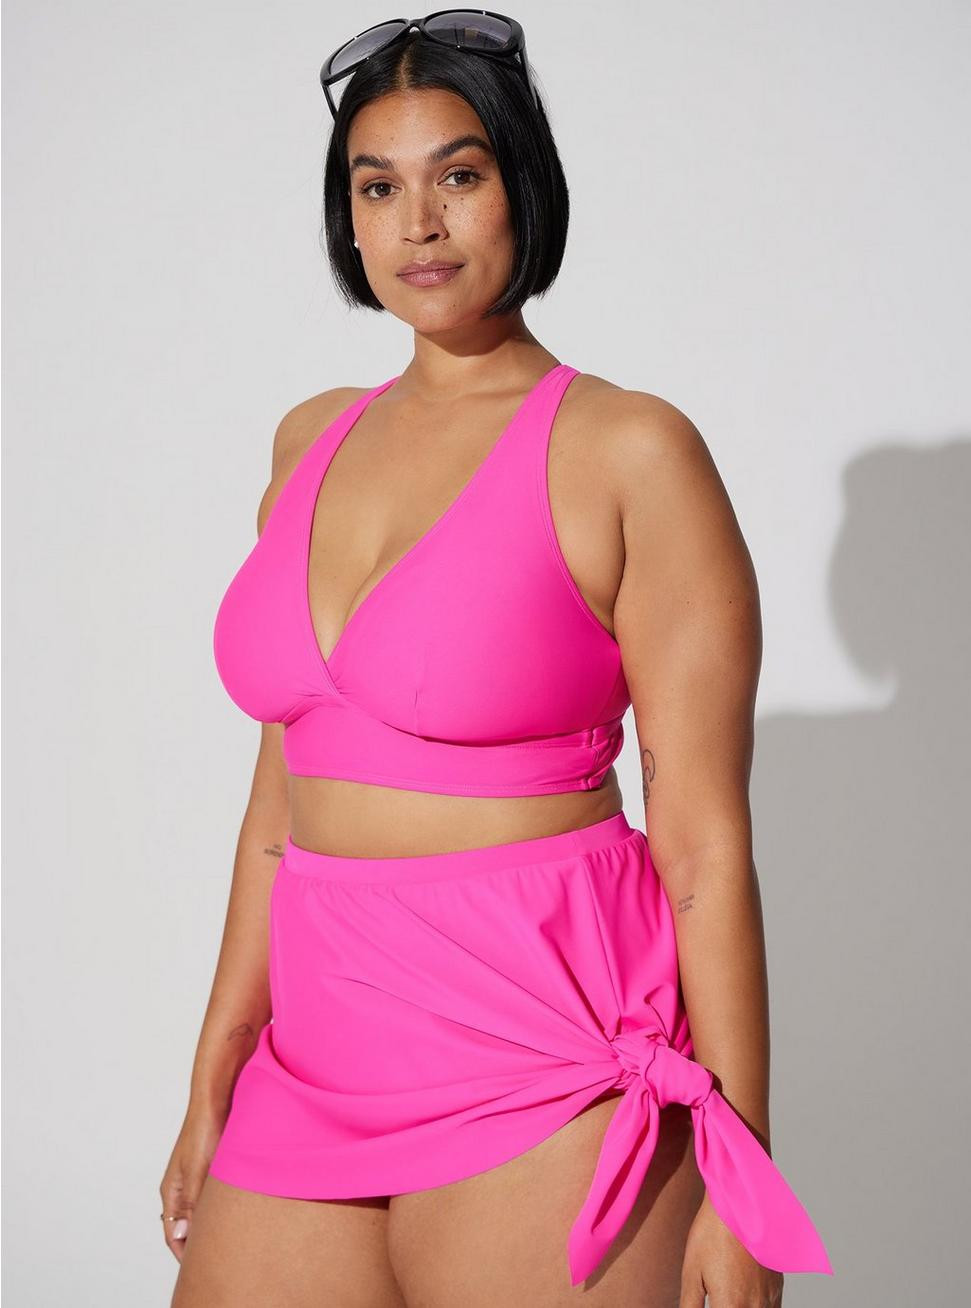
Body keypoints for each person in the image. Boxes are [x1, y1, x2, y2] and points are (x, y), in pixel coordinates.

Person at [162, 13, 833, 1307]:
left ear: (522, 184)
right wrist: (216, 1067)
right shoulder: (307, 441)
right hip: (315, 1056)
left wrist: (742, 1177)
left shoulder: (629, 450)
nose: (419, 223)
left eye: (458, 176)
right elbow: (278, 804)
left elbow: (701, 842)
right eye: (378, 187)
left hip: (544, 1051)